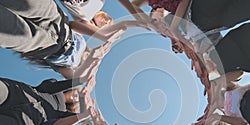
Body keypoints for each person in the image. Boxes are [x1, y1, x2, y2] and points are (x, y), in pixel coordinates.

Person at [0, 0, 146, 75]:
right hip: (57, 20)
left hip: (47, 46)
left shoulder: (73, 65)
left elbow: (75, 80)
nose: (107, 22)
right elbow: (71, 24)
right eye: (108, 20)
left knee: (7, 28)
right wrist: (104, 36)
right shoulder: (94, 9)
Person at [0, 60, 98, 125]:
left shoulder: (62, 113)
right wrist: (81, 80)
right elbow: (47, 87)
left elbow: (81, 117)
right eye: (76, 92)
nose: (76, 96)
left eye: (78, 99)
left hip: (27, 121)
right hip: (18, 92)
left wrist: (85, 96)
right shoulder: (54, 86)